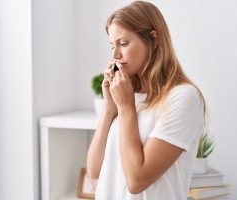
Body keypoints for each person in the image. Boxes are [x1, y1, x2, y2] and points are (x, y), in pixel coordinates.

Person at [86, 1, 207, 200]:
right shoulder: (125, 96)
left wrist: (126, 108)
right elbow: (94, 171)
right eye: (112, 46)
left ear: (153, 39)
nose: (116, 55)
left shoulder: (183, 98)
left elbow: (136, 181)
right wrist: (109, 109)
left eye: (123, 43)